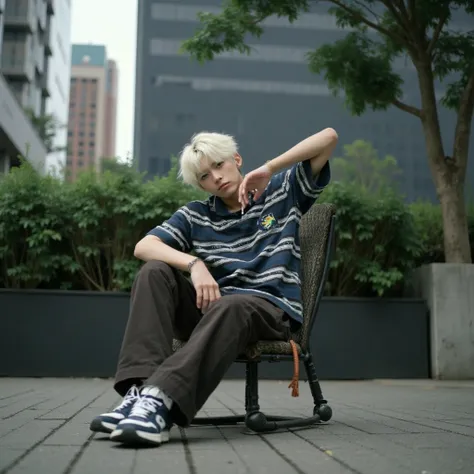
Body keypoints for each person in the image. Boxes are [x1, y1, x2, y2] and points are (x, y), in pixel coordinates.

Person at [89, 128, 337, 447]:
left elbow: (328, 138)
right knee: (154, 272)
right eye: (205, 176)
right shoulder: (197, 215)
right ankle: (139, 393)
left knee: (233, 304)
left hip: (267, 313)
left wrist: (270, 168)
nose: (216, 178)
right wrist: (195, 265)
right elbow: (144, 246)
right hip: (217, 312)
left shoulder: (282, 190)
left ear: (237, 159)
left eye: (220, 165)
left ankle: (161, 400)